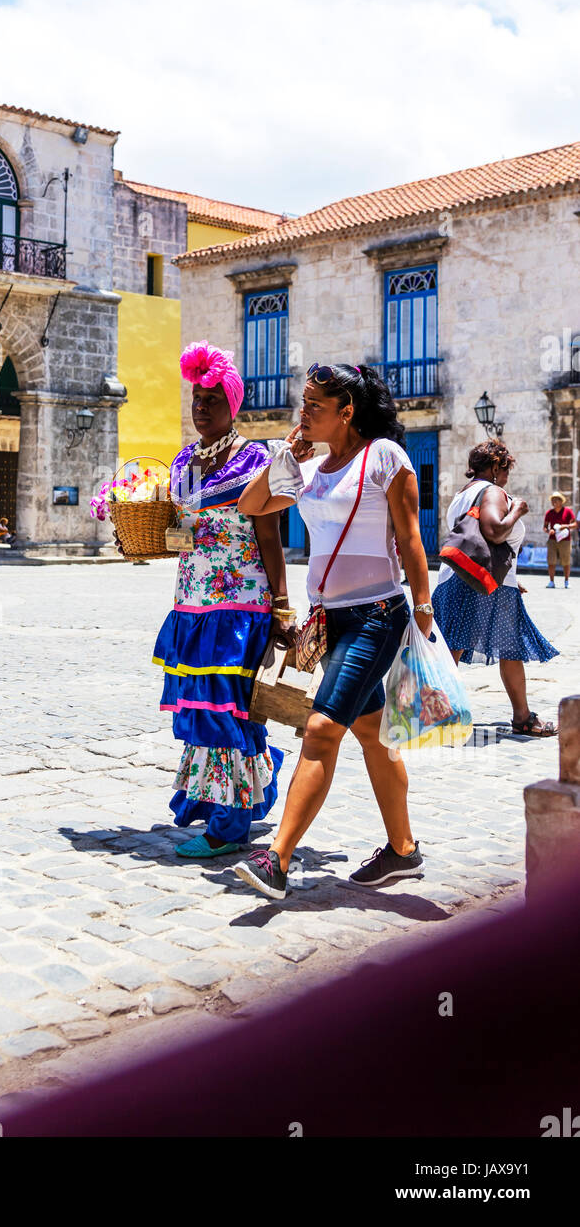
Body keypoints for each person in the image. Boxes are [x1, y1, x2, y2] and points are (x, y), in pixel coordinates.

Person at [233, 362, 430, 901]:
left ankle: (277, 858)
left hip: (376, 615)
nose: (304, 413)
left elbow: (411, 538)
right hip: (328, 621)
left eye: (315, 407)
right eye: (304, 404)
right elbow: (252, 507)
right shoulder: (312, 470)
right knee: (370, 732)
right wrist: (284, 457)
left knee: (321, 729)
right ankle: (403, 850)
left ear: (347, 412)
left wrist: (424, 603)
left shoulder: (384, 456)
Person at [153, 342, 287, 859]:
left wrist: (281, 608)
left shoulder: (259, 460)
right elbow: (180, 536)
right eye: (196, 399)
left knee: (228, 710)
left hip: (240, 609)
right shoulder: (184, 463)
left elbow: (271, 538)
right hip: (192, 604)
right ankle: (245, 790)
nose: (201, 407)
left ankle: (229, 826)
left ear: (233, 403)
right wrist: (144, 538)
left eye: (212, 398)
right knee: (202, 710)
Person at [433, 440, 557, 736]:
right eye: (506, 470)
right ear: (496, 466)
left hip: (464, 580)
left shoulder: (463, 495)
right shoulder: (492, 491)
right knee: (496, 648)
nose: (507, 477)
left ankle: (438, 714)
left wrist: (514, 578)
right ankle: (439, 716)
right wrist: (518, 509)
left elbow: (477, 542)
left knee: (457, 646)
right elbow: (493, 530)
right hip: (481, 587)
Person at [544, 490, 577, 589]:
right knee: (551, 561)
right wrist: (549, 531)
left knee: (566, 561)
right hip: (552, 540)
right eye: (552, 500)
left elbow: (575, 524)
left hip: (565, 540)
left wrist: (565, 526)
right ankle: (551, 581)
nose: (554, 502)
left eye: (556, 500)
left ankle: (566, 581)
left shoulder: (568, 511)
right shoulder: (549, 513)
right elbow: (545, 527)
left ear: (561, 501)